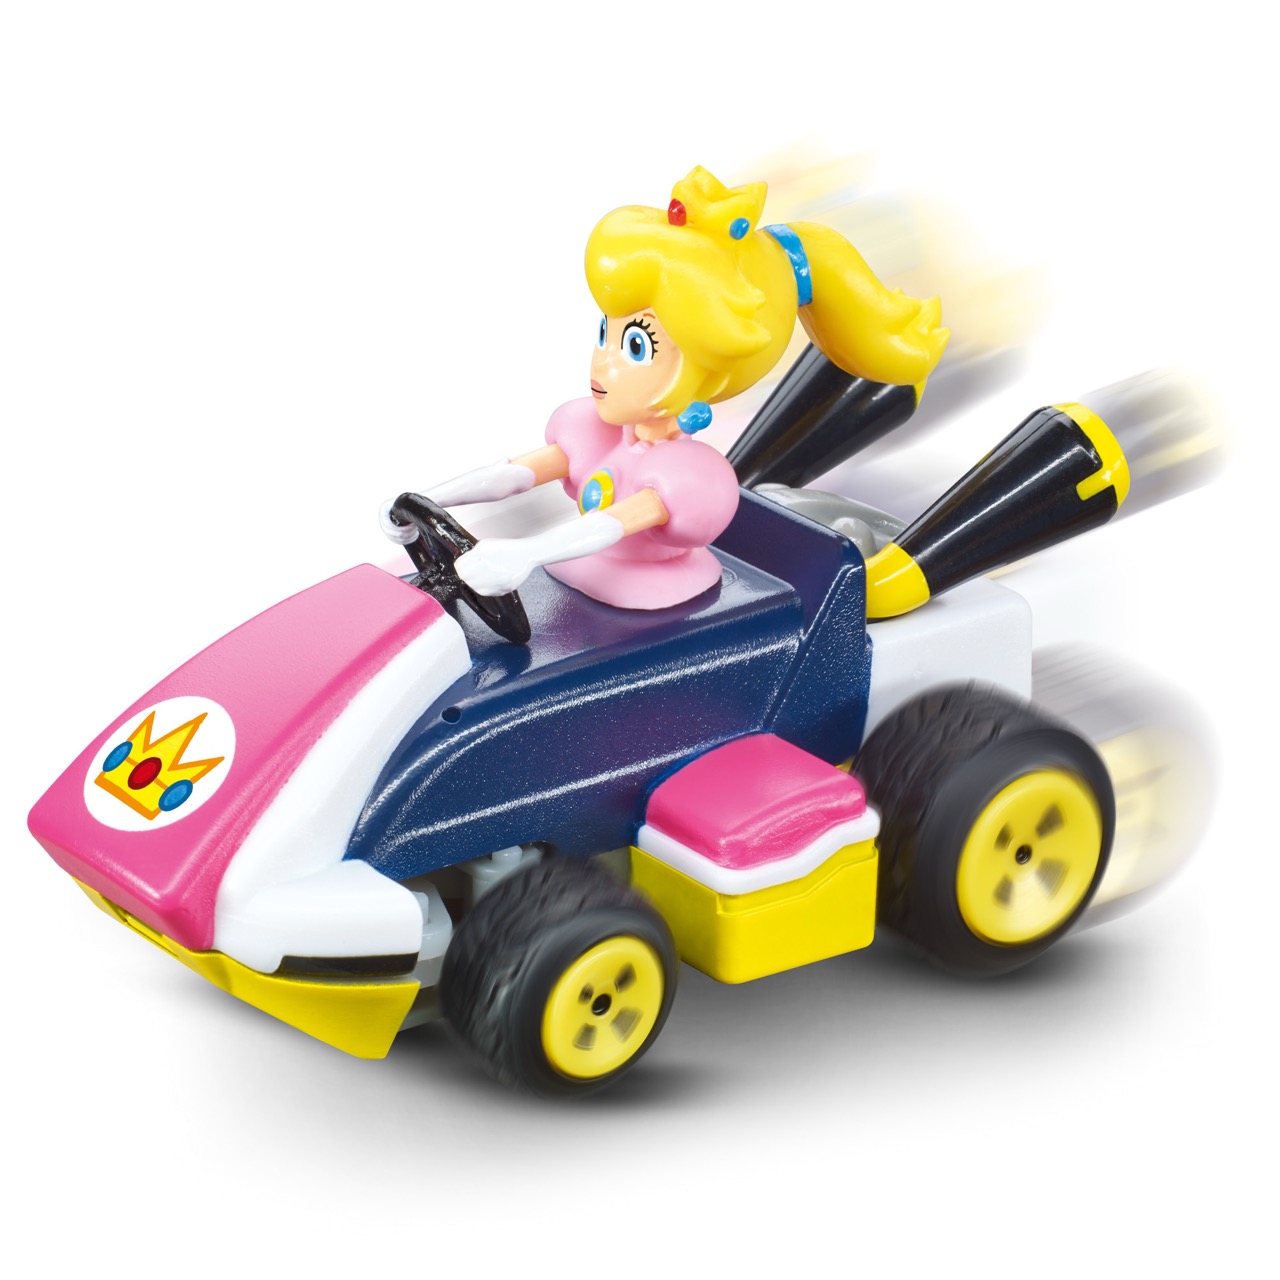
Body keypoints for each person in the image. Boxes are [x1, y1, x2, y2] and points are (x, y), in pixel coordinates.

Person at [386, 166, 949, 610]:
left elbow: (614, 523)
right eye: (605, 333)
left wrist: (528, 553)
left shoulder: (692, 475)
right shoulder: (594, 430)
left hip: (657, 592)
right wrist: (429, 500)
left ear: (707, 368)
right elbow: (516, 473)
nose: (603, 362)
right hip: (579, 574)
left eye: (636, 345)